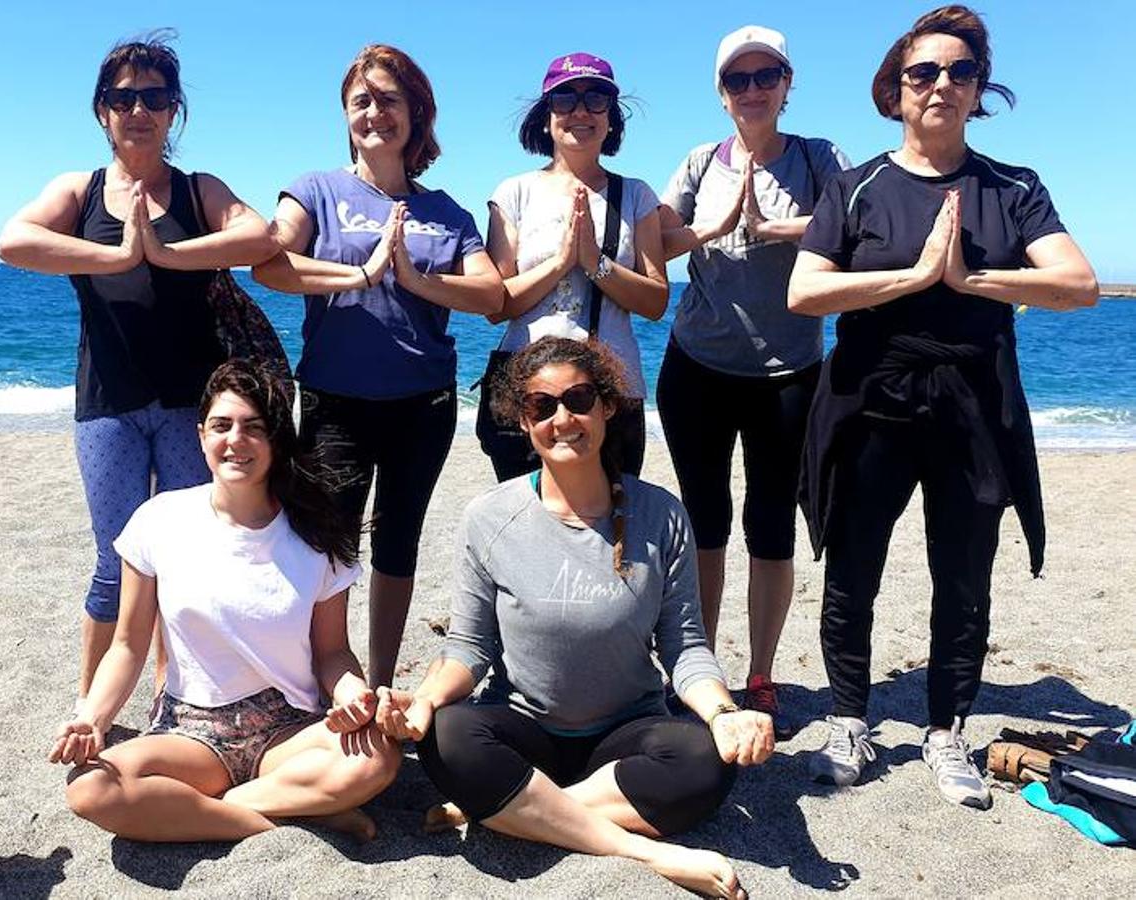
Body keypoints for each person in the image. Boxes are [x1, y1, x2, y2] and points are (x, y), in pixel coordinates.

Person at [788, 5, 1098, 808]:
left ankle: (945, 731)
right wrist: (912, 277)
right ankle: (849, 717)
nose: (941, 85)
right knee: (852, 571)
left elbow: (1077, 284)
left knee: (961, 576)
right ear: (894, 90)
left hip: (972, 406)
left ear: (977, 91)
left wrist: (971, 281)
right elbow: (804, 290)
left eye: (960, 72)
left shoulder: (1012, 187)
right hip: (870, 403)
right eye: (922, 72)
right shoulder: (853, 189)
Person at [376, 338, 773, 900]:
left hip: (625, 734)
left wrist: (725, 712)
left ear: (607, 406)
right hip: (523, 729)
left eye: (579, 399)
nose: (562, 419)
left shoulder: (660, 515)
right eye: (542, 406)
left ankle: (512, 809)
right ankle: (644, 847)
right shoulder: (490, 516)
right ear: (523, 421)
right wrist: (424, 700)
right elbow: (469, 645)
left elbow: (685, 647)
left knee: (707, 760)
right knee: (448, 734)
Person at [0, 35, 276, 707]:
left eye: (153, 97)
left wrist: (167, 254)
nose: (138, 110)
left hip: (192, 408)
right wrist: (120, 258)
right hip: (108, 405)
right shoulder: (78, 189)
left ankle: (172, 695)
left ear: (172, 111)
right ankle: (93, 708)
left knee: (185, 559)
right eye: (123, 98)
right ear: (102, 111)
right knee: (115, 560)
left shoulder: (195, 189)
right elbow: (13, 242)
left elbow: (258, 236)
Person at [49, 360, 400, 842]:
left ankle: (216, 809)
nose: (235, 440)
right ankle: (282, 814)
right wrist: (92, 717)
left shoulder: (315, 538)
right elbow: (128, 647)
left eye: (254, 427)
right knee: (90, 790)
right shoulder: (159, 519)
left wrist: (352, 697)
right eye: (222, 425)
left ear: (276, 440)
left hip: (286, 729)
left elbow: (332, 654)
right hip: (189, 731)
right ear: (201, 436)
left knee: (379, 755)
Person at [253, 44, 503, 689]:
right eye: (361, 101)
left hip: (423, 401)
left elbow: (491, 294)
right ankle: (324, 681)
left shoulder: (445, 211)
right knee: (327, 543)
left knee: (397, 543)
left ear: (416, 114)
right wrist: (360, 274)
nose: (375, 113)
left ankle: (384, 679)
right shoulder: (315, 190)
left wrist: (415, 279)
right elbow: (270, 264)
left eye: (390, 100)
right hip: (337, 397)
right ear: (345, 114)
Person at [655, 26, 850, 733]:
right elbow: (659, 242)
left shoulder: (819, 157)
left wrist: (775, 228)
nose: (752, 89)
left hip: (788, 372)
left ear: (787, 84)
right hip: (696, 367)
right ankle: (701, 669)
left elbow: (854, 229)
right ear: (721, 92)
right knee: (704, 523)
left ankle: (761, 672)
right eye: (738, 80)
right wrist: (715, 227)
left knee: (770, 526)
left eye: (765, 76)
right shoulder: (698, 161)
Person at [481, 52, 668, 482]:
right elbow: (496, 305)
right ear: (546, 116)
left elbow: (656, 300)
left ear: (612, 117)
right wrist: (564, 261)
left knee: (613, 526)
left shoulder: (635, 194)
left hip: (612, 392)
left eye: (596, 98)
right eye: (564, 98)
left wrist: (595, 263)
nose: (580, 110)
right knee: (524, 524)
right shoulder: (515, 192)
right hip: (528, 390)